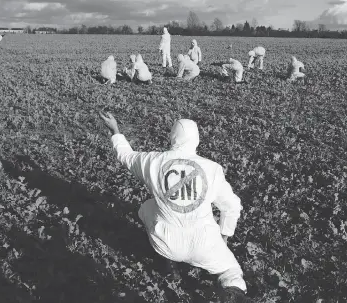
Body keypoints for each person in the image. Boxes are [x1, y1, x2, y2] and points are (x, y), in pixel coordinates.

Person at [98, 112, 254, 303]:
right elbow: (232, 207)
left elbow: (126, 156)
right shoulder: (212, 169)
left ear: (172, 137)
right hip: (205, 244)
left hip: (166, 242)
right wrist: (223, 237)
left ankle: (168, 263)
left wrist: (115, 130)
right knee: (231, 271)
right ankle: (233, 295)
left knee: (146, 208)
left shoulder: (154, 161)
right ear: (197, 139)